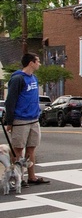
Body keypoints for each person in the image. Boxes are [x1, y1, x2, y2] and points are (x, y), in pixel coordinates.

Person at [2, 53, 48, 186]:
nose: (39, 63)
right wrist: (9, 122)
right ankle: (19, 178)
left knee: (31, 149)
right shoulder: (17, 79)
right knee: (18, 150)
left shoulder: (34, 78)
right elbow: (10, 101)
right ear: (31, 63)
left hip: (33, 119)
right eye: (37, 61)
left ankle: (32, 177)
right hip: (20, 120)